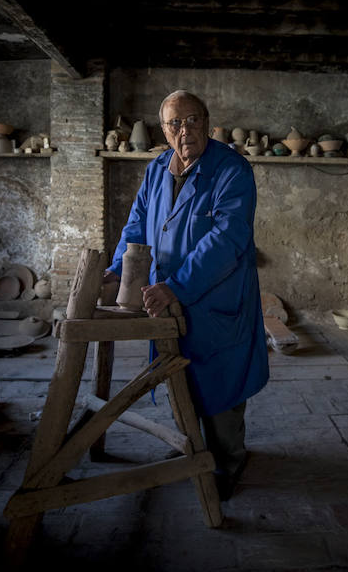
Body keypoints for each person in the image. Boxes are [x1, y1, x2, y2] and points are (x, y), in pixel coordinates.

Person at [104, 89, 270, 501]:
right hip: (166, 296)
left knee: (221, 388)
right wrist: (116, 270)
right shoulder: (158, 167)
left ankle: (228, 464)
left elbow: (227, 239)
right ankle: (192, 451)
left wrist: (176, 287)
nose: (185, 130)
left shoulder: (232, 170)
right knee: (180, 377)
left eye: (193, 120)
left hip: (216, 298)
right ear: (163, 130)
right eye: (175, 123)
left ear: (207, 123)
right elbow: (137, 225)